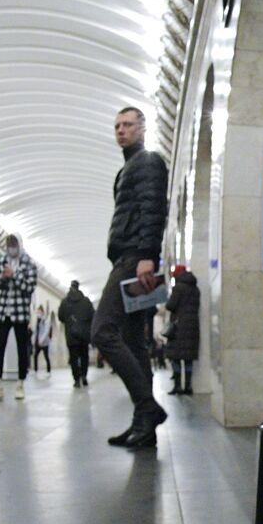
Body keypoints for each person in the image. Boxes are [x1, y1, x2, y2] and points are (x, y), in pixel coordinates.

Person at [92, 106, 168, 449]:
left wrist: (147, 256)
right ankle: (143, 426)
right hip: (126, 257)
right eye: (117, 126)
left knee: (103, 331)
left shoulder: (148, 161)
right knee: (135, 342)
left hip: (133, 259)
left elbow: (154, 208)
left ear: (142, 128)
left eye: (128, 125)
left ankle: (148, 408)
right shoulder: (126, 169)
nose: (121, 130)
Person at [0, 233, 36, 400]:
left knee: (22, 348)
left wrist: (14, 275)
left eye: (14, 244)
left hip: (20, 313)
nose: (11, 247)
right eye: (9, 244)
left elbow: (30, 287)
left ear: (20, 244)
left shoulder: (29, 264)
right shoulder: (1, 261)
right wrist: (3, 277)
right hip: (3, 311)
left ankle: (20, 383)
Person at [163, 264, 199, 395]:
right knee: (188, 358)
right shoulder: (196, 289)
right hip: (193, 327)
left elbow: (171, 305)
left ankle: (177, 386)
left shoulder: (178, 288)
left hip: (179, 327)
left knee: (176, 357)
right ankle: (188, 387)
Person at [57, 279, 94, 387]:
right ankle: (84, 376)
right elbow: (92, 315)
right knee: (84, 356)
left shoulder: (64, 302)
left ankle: (76, 379)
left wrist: (70, 323)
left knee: (73, 357)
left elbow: (60, 317)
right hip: (84, 334)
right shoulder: (86, 301)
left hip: (71, 334)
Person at [32, 303, 52, 375]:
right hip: (37, 341)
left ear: (42, 312)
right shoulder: (37, 320)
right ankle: (35, 370)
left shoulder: (46, 319)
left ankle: (48, 370)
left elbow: (46, 331)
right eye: (37, 312)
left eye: (39, 312)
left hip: (44, 342)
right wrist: (34, 340)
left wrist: (42, 340)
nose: (38, 313)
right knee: (35, 355)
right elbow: (35, 331)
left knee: (46, 356)